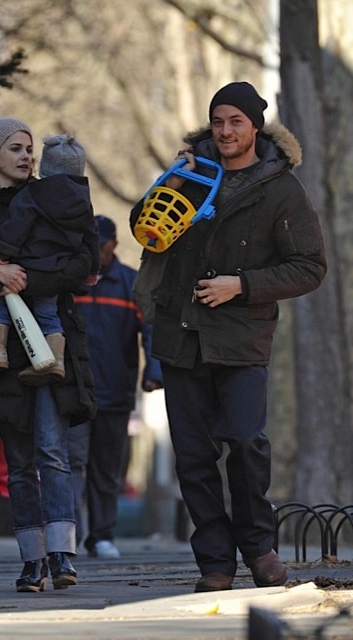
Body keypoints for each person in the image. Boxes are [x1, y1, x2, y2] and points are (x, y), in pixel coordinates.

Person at [129, 82, 327, 592]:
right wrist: (171, 184)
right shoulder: (190, 170)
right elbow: (143, 226)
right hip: (180, 336)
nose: (225, 131)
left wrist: (243, 285)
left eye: (236, 121)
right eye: (218, 121)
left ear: (255, 126)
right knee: (193, 457)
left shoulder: (281, 187)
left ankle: (258, 548)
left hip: (242, 339)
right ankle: (214, 562)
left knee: (244, 442)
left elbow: (309, 266)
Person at [0, 118, 96, 592]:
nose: (27, 156)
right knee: (18, 461)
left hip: (50, 344)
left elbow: (83, 267)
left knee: (54, 452)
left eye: (30, 148)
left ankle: (62, 556)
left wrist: (29, 279)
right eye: (16, 148)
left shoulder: (57, 194)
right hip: (1, 351)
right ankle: (32, 562)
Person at [0, 133, 100, 386]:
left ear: (46, 167)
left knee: (2, 306)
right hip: (58, 270)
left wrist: (4, 255)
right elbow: (91, 235)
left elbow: (18, 225)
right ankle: (56, 362)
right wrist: (93, 268)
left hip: (26, 264)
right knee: (49, 315)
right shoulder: (84, 199)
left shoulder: (33, 193)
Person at [72, 215, 163, 558]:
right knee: (73, 464)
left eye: (100, 247)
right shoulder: (72, 281)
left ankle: (102, 536)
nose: (95, 252)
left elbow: (150, 330)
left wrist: (153, 371)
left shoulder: (130, 284)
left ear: (112, 245)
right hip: (75, 393)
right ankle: (72, 537)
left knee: (107, 469)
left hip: (116, 391)